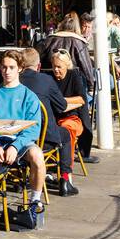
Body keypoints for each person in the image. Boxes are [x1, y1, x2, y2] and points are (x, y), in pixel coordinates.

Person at [0, 51, 45, 231]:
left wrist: (15, 146)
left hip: (20, 142)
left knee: (37, 155)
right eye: (4, 67)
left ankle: (35, 201)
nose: (7, 71)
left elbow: (33, 129)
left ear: (20, 68)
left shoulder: (29, 96)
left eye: (11, 67)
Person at [19, 48, 78, 196]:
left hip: (18, 137)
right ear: (38, 66)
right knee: (64, 134)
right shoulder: (46, 80)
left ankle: (21, 179)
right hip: (42, 139)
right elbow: (62, 106)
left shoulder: (14, 81)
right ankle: (65, 179)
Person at [50, 50, 99, 164]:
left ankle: (66, 167)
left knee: (66, 129)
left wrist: (61, 100)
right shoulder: (49, 77)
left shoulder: (74, 76)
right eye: (53, 66)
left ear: (67, 65)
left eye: (59, 67)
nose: (56, 69)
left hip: (72, 118)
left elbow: (82, 99)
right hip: (53, 117)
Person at [39, 14, 95, 100]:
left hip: (51, 87)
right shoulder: (79, 42)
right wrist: (91, 87)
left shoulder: (48, 40)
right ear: (77, 28)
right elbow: (86, 67)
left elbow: (39, 63)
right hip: (73, 87)